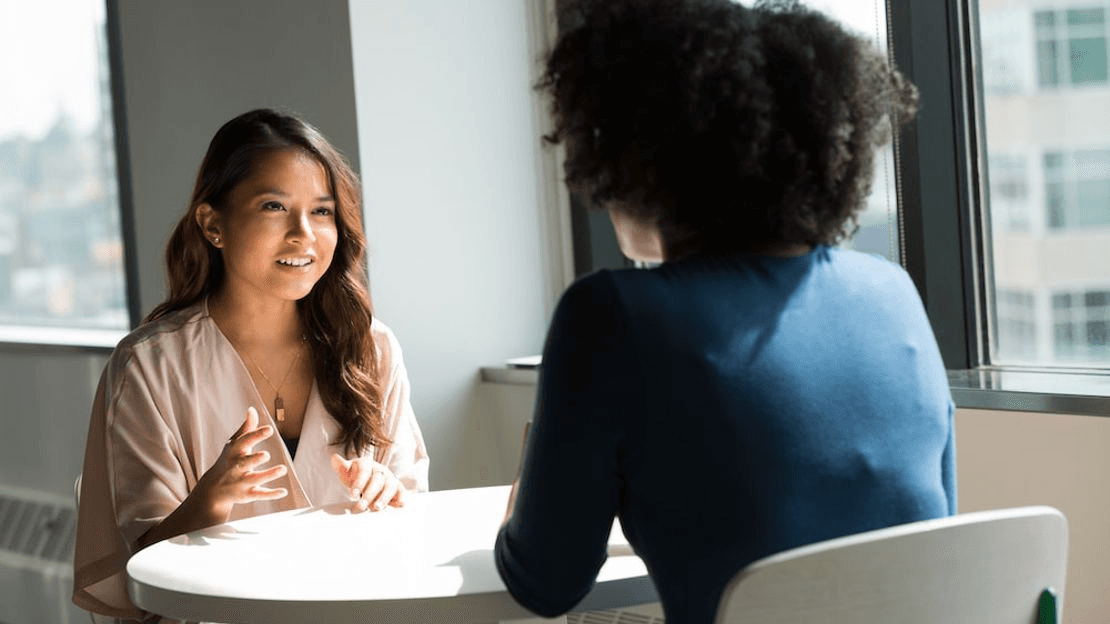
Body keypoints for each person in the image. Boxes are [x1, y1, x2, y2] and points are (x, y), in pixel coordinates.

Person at [494, 1, 955, 623]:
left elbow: (547, 584)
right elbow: (934, 533)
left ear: (636, 157)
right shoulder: (893, 293)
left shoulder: (611, 316)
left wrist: (526, 504)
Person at [73, 109, 429, 623]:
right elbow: (141, 576)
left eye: (323, 212)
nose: (303, 234)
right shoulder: (149, 365)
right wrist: (208, 504)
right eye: (274, 206)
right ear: (213, 224)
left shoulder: (371, 348)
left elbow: (413, 521)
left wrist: (388, 494)